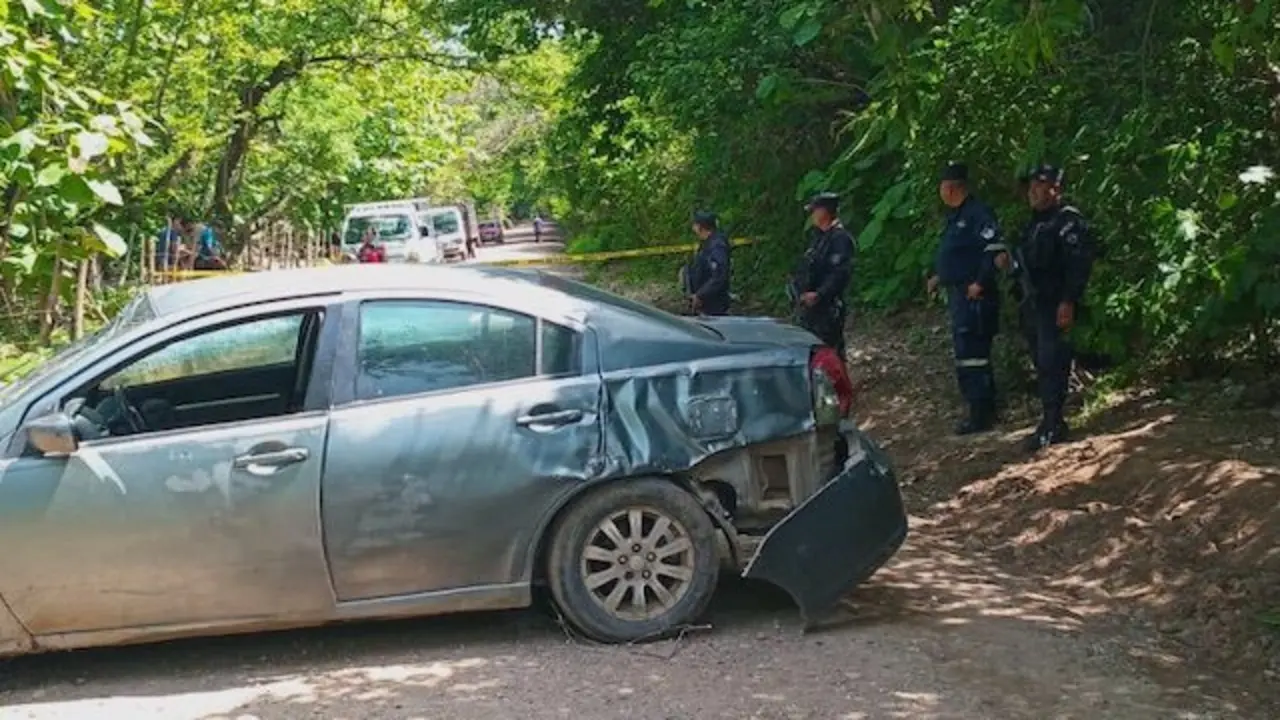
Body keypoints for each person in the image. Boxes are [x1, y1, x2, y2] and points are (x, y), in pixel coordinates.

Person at [999, 164, 1097, 452]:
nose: (1032, 191)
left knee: (1053, 362)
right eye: (1031, 185)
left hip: (1055, 303)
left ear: (1055, 189)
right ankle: (1049, 420)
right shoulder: (1033, 225)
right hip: (1033, 304)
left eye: (1039, 185)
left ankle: (1054, 423)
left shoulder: (1067, 222)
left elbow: (1078, 265)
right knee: (1042, 363)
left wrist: (1068, 301)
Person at [926, 163, 1004, 435]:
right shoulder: (955, 216)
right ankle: (975, 407)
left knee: (974, 355)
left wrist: (980, 282)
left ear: (951, 187)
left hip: (975, 297)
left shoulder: (977, 214)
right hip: (958, 294)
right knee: (965, 353)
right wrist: (939, 277)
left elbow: (993, 250)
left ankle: (982, 413)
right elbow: (956, 256)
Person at [789, 192, 855, 360]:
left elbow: (839, 274)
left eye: (814, 211)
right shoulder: (819, 237)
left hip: (827, 306)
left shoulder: (839, 239)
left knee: (829, 351)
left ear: (823, 212)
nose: (812, 216)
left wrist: (820, 294)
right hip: (811, 307)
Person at [682, 211, 731, 316]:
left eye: (695, 225)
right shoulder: (706, 243)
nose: (693, 228)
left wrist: (700, 295)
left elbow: (719, 276)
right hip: (705, 302)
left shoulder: (717, 246)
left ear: (701, 227)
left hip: (714, 304)